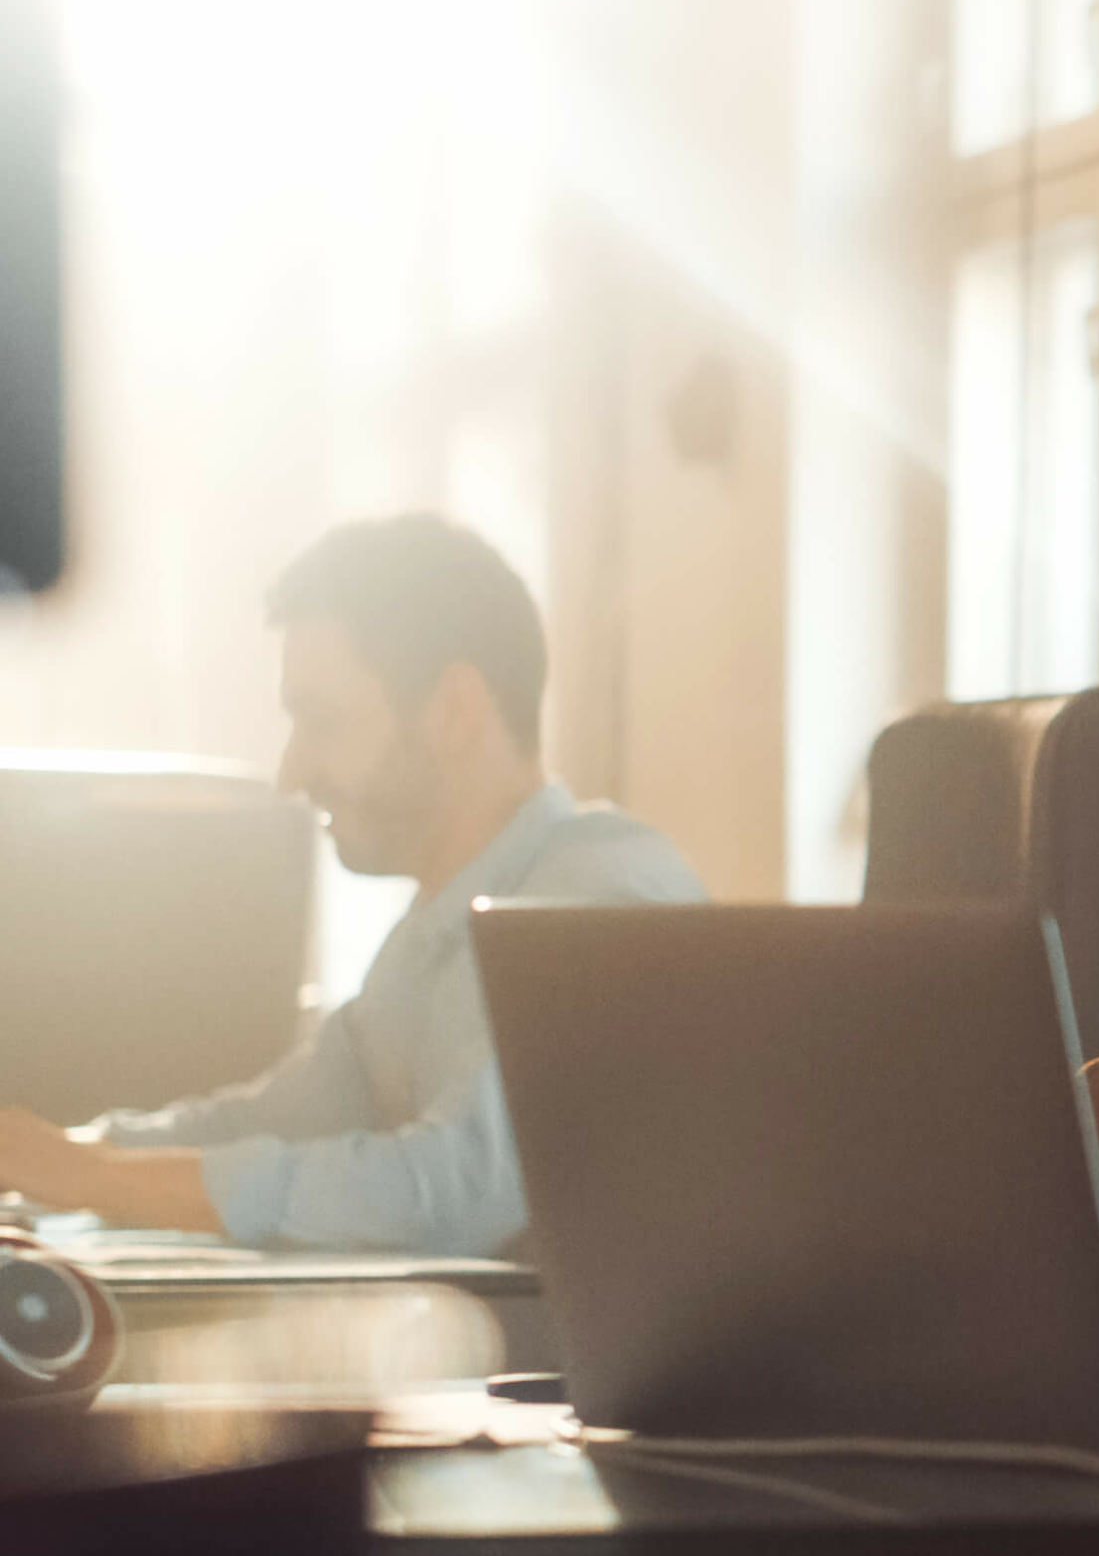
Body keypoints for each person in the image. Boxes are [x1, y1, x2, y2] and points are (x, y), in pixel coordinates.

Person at [0, 515, 703, 1255]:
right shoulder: (427, 941)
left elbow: (452, 1191)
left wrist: (89, 1176)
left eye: (321, 721)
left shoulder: (601, 894)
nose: (292, 774)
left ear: (454, 709)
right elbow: (284, 1117)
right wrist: (62, 1157)